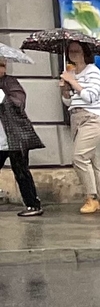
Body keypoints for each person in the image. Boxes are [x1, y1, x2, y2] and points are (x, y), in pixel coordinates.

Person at [59, 34, 100, 214]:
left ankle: (90, 197)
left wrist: (73, 83)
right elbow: (69, 103)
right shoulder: (71, 73)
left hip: (92, 119)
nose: (73, 53)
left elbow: (90, 97)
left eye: (77, 50)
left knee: (79, 157)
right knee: (92, 161)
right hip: (77, 118)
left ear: (85, 53)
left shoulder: (93, 71)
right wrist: (65, 88)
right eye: (70, 51)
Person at [0, 54, 43, 217]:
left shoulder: (10, 83)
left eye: (2, 65)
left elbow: (18, 102)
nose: (2, 68)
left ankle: (33, 204)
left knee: (21, 171)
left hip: (14, 137)